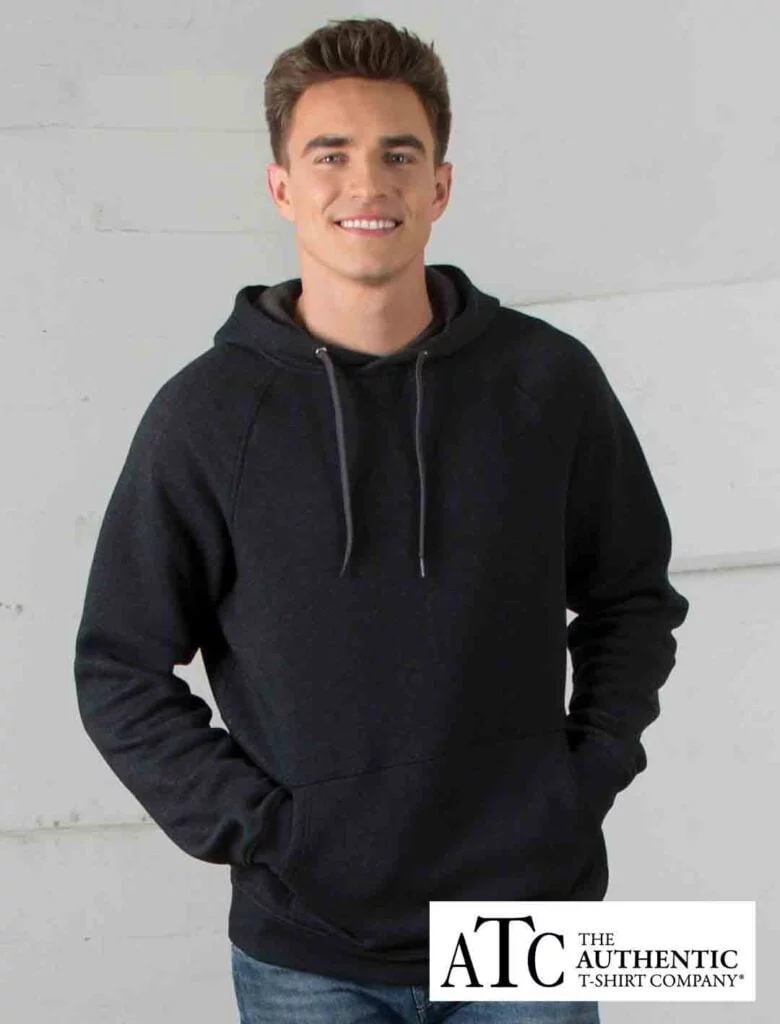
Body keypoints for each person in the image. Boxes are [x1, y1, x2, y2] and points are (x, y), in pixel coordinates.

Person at [73, 16, 690, 1024]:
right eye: (332, 154)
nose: (368, 183)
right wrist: (270, 833)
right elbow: (118, 668)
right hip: (309, 950)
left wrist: (583, 778)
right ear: (282, 186)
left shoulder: (547, 383)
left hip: (525, 923)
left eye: (399, 155)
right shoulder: (208, 416)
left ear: (439, 186)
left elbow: (633, 597)